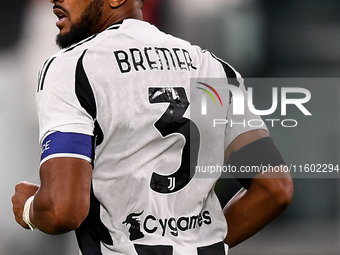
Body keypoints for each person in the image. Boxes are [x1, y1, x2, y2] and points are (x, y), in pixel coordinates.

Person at [11, 0, 294, 254]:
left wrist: (30, 208)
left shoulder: (72, 67)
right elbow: (274, 189)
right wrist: (198, 245)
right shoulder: (214, 67)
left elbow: (62, 211)